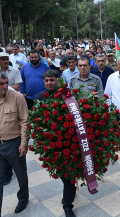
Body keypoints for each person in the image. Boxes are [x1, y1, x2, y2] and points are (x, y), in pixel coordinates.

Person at [0, 70, 29, 216]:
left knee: (21, 175)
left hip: (14, 144)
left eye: (6, 83)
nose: (5, 86)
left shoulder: (17, 97)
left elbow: (25, 121)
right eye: (1, 84)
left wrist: (24, 143)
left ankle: (23, 198)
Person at [35, 69, 77, 217]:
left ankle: (67, 205)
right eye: (46, 81)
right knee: (63, 175)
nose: (49, 83)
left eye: (52, 80)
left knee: (68, 177)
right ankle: (69, 190)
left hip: (69, 144)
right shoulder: (40, 98)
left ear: (58, 80)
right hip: (51, 146)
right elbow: (36, 121)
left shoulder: (67, 96)